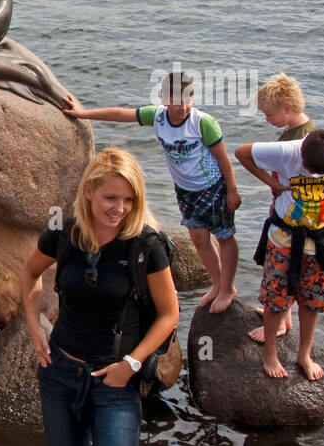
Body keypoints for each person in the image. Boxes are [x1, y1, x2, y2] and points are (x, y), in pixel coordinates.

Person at [20, 148, 178, 446]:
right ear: (89, 191)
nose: (120, 209)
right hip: (61, 374)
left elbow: (169, 314)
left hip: (115, 380)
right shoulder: (63, 235)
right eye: (111, 197)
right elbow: (28, 274)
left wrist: (132, 362)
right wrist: (34, 328)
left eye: (129, 200)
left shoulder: (147, 246)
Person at [66, 71, 242, 312]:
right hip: (185, 191)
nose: (183, 107)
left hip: (212, 188)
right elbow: (121, 114)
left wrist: (231, 190)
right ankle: (217, 283)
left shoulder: (202, 122)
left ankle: (227, 289)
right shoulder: (157, 117)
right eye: (177, 101)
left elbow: (223, 158)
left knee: (223, 236)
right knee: (200, 241)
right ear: (164, 99)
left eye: (188, 99)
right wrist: (82, 113)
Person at [235, 130, 324, 381]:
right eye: (308, 168)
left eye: (320, 172)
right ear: (301, 153)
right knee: (275, 298)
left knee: (313, 301)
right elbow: (242, 153)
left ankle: (304, 354)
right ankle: (269, 353)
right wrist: (271, 183)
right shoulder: (286, 152)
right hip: (284, 239)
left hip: (321, 240)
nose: (312, 174)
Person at [247, 74, 317, 344]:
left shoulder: (303, 140)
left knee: (286, 267)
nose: (266, 119)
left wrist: (271, 184)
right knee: (276, 263)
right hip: (284, 210)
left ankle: (278, 323)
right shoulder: (295, 132)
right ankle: (281, 316)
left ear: (287, 108)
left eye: (269, 114)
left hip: (295, 218)